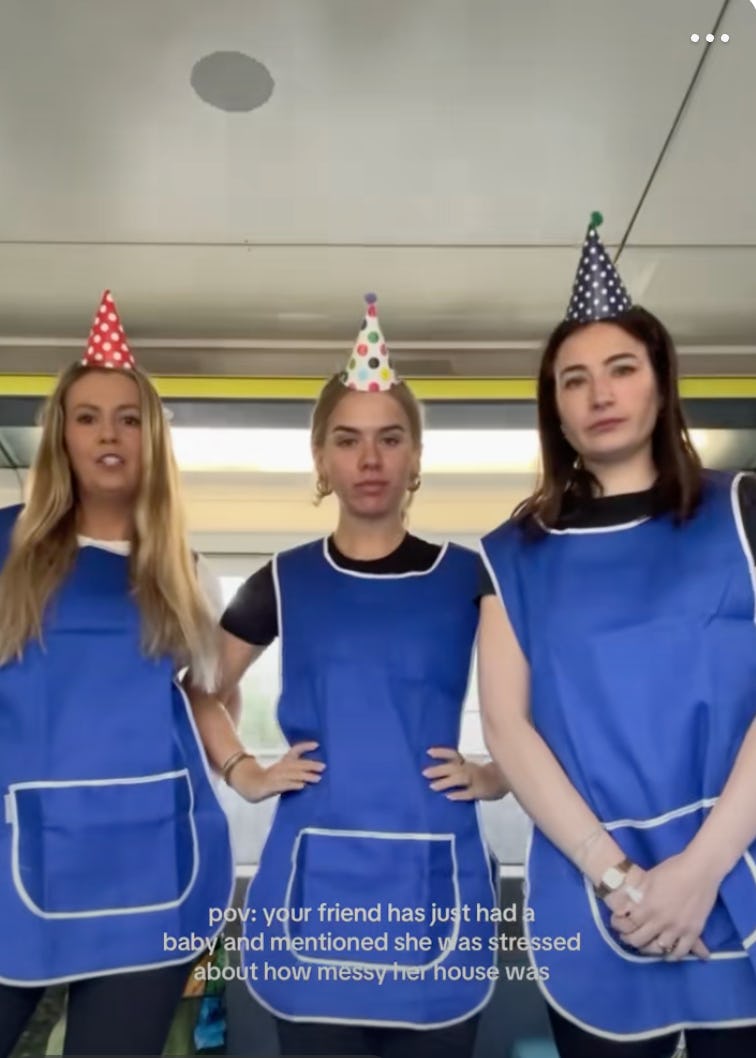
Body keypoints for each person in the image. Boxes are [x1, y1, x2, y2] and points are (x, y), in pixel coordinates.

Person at [187, 295, 507, 1058]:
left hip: (434, 869)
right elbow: (199, 688)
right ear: (322, 460)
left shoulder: (474, 577)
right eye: (349, 440)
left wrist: (498, 777)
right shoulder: (282, 580)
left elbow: (536, 703)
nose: (370, 459)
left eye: (390, 439)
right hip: (314, 881)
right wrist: (244, 771)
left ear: (416, 457)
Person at [477, 213, 756, 1057]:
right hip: (591, 887)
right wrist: (622, 877)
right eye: (574, 380)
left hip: (739, 858)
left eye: (621, 368)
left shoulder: (743, 512)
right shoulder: (511, 557)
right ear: (554, 410)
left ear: (660, 385)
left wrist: (701, 868)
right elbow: (507, 731)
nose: (599, 393)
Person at [0, 291, 235, 1058]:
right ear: (60, 437)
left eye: (129, 419)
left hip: (147, 868)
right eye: (88, 416)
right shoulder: (4, 550)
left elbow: (206, 695)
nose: (109, 434)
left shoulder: (184, 571)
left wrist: (244, 766)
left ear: (151, 438)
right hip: (16, 860)